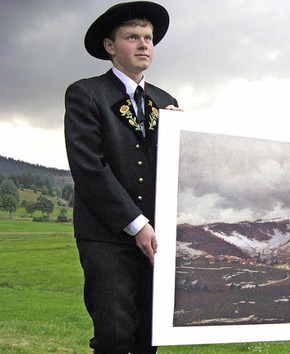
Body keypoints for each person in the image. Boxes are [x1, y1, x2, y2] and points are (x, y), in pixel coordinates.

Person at [64, 2, 181, 353]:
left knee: (150, 336)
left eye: (148, 37)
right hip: (106, 235)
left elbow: (176, 171)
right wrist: (136, 223)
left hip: (158, 239)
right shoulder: (86, 93)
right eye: (133, 37)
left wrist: (182, 136)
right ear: (110, 47)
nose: (145, 44)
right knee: (114, 335)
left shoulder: (166, 102)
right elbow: (88, 167)